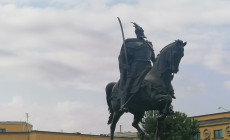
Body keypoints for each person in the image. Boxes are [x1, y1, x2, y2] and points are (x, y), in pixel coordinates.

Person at [118, 22, 155, 112]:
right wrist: (124, 65)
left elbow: (153, 59)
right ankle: (123, 104)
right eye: (139, 32)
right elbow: (121, 56)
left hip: (148, 67)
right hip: (136, 68)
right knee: (128, 84)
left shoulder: (149, 44)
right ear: (136, 33)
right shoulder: (130, 43)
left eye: (141, 31)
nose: (141, 33)